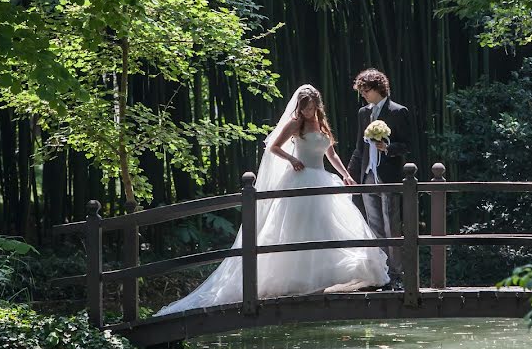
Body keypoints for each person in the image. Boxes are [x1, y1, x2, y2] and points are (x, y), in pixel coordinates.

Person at [155, 85, 389, 316]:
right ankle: (294, 279)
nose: (308, 111)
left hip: (322, 180)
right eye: (305, 107)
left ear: (318, 105)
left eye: (312, 107)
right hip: (301, 179)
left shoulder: (322, 124)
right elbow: (274, 146)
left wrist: (345, 174)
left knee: (326, 228)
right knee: (297, 229)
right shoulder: (296, 123)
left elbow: (331, 153)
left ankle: (326, 277)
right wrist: (291, 159)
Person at [347, 69, 413, 291]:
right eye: (361, 91)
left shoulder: (397, 111)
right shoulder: (363, 113)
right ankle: (382, 273)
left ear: (378, 88)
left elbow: (407, 144)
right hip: (368, 175)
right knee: (374, 226)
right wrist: (350, 174)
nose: (363, 94)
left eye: (365, 90)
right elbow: (359, 148)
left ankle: (398, 274)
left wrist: (388, 148)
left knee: (391, 225)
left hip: (388, 176)